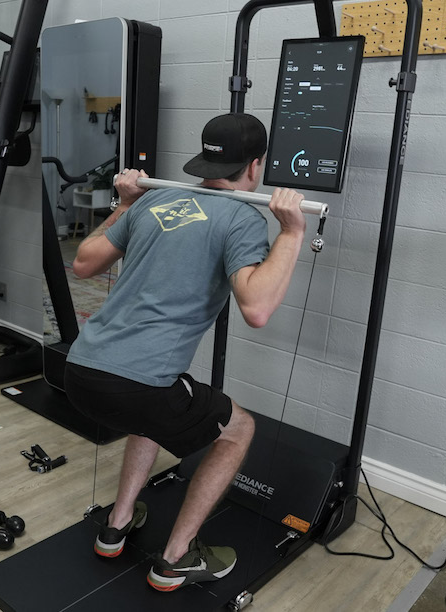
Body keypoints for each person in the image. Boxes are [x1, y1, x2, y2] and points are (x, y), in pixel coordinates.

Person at [63, 112, 308, 592]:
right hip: (139, 385)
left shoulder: (157, 199)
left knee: (156, 410)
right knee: (239, 430)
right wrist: (293, 234)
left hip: (81, 369)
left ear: (204, 159)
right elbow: (256, 308)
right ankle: (175, 559)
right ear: (255, 166)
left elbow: (83, 262)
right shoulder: (241, 218)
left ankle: (117, 526)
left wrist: (125, 202)